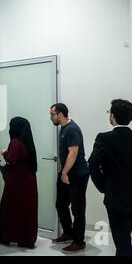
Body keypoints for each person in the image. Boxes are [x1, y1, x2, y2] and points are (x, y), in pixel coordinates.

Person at [88, 99, 132, 256]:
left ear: (113, 116)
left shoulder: (104, 138)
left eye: (109, 112)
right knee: (123, 239)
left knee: (123, 243)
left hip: (115, 200)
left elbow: (92, 165)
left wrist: (104, 186)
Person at [49, 103, 89, 254]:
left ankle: (79, 242)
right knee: (61, 204)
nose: (50, 117)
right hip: (67, 173)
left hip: (77, 174)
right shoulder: (63, 128)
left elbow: (73, 153)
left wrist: (64, 173)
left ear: (60, 114)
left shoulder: (72, 130)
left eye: (52, 114)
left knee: (78, 210)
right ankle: (68, 233)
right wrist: (64, 173)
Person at [0, 117, 38, 249]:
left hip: (16, 180)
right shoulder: (28, 142)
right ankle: (26, 240)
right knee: (26, 210)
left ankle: (6, 237)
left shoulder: (15, 142)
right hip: (29, 180)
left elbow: (11, 160)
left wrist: (4, 153)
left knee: (9, 207)